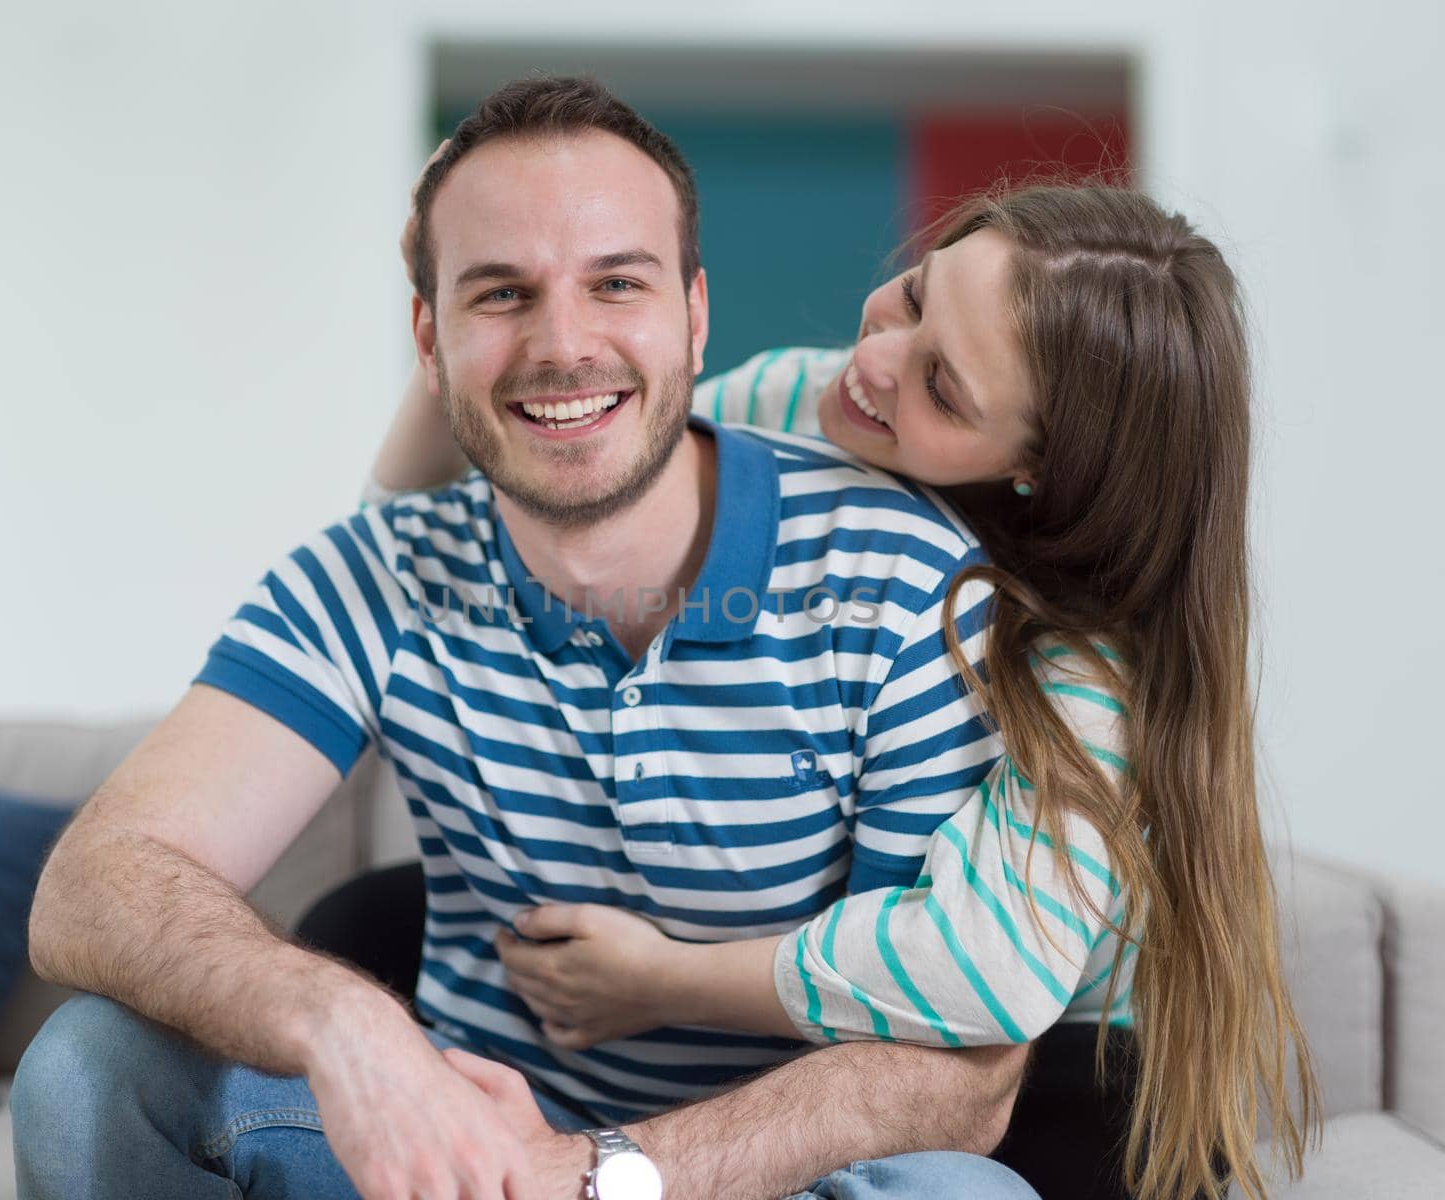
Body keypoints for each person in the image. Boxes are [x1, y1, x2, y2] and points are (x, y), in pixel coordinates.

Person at [10, 76, 1042, 1200]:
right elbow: (96, 881)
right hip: (451, 1166)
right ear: (430, 335)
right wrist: (343, 1025)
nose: (562, 344)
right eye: (501, 293)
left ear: (694, 313)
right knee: (88, 1070)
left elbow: (960, 1078)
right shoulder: (376, 575)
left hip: (763, 1177)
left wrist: (606, 1174)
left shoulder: (906, 581)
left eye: (616, 284)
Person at [368, 165, 1321, 1199]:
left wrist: (657, 983)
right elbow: (447, 525)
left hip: (1052, 1053)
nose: (873, 359)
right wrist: (462, 323)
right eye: (915, 294)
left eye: (942, 386)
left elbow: (981, 974)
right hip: (784, 927)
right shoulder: (799, 402)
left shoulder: (1083, 664)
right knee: (365, 928)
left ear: (1033, 469)